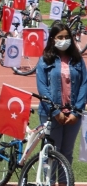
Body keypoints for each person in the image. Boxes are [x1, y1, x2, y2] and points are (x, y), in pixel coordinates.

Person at [36, 22, 87, 176]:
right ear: (52, 39)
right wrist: (55, 111)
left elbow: (84, 85)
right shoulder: (45, 60)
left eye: (67, 37)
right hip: (51, 114)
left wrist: (76, 112)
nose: (64, 40)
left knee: (67, 152)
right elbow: (42, 88)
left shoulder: (78, 60)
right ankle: (48, 182)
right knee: (51, 152)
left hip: (73, 114)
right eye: (60, 37)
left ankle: (65, 182)